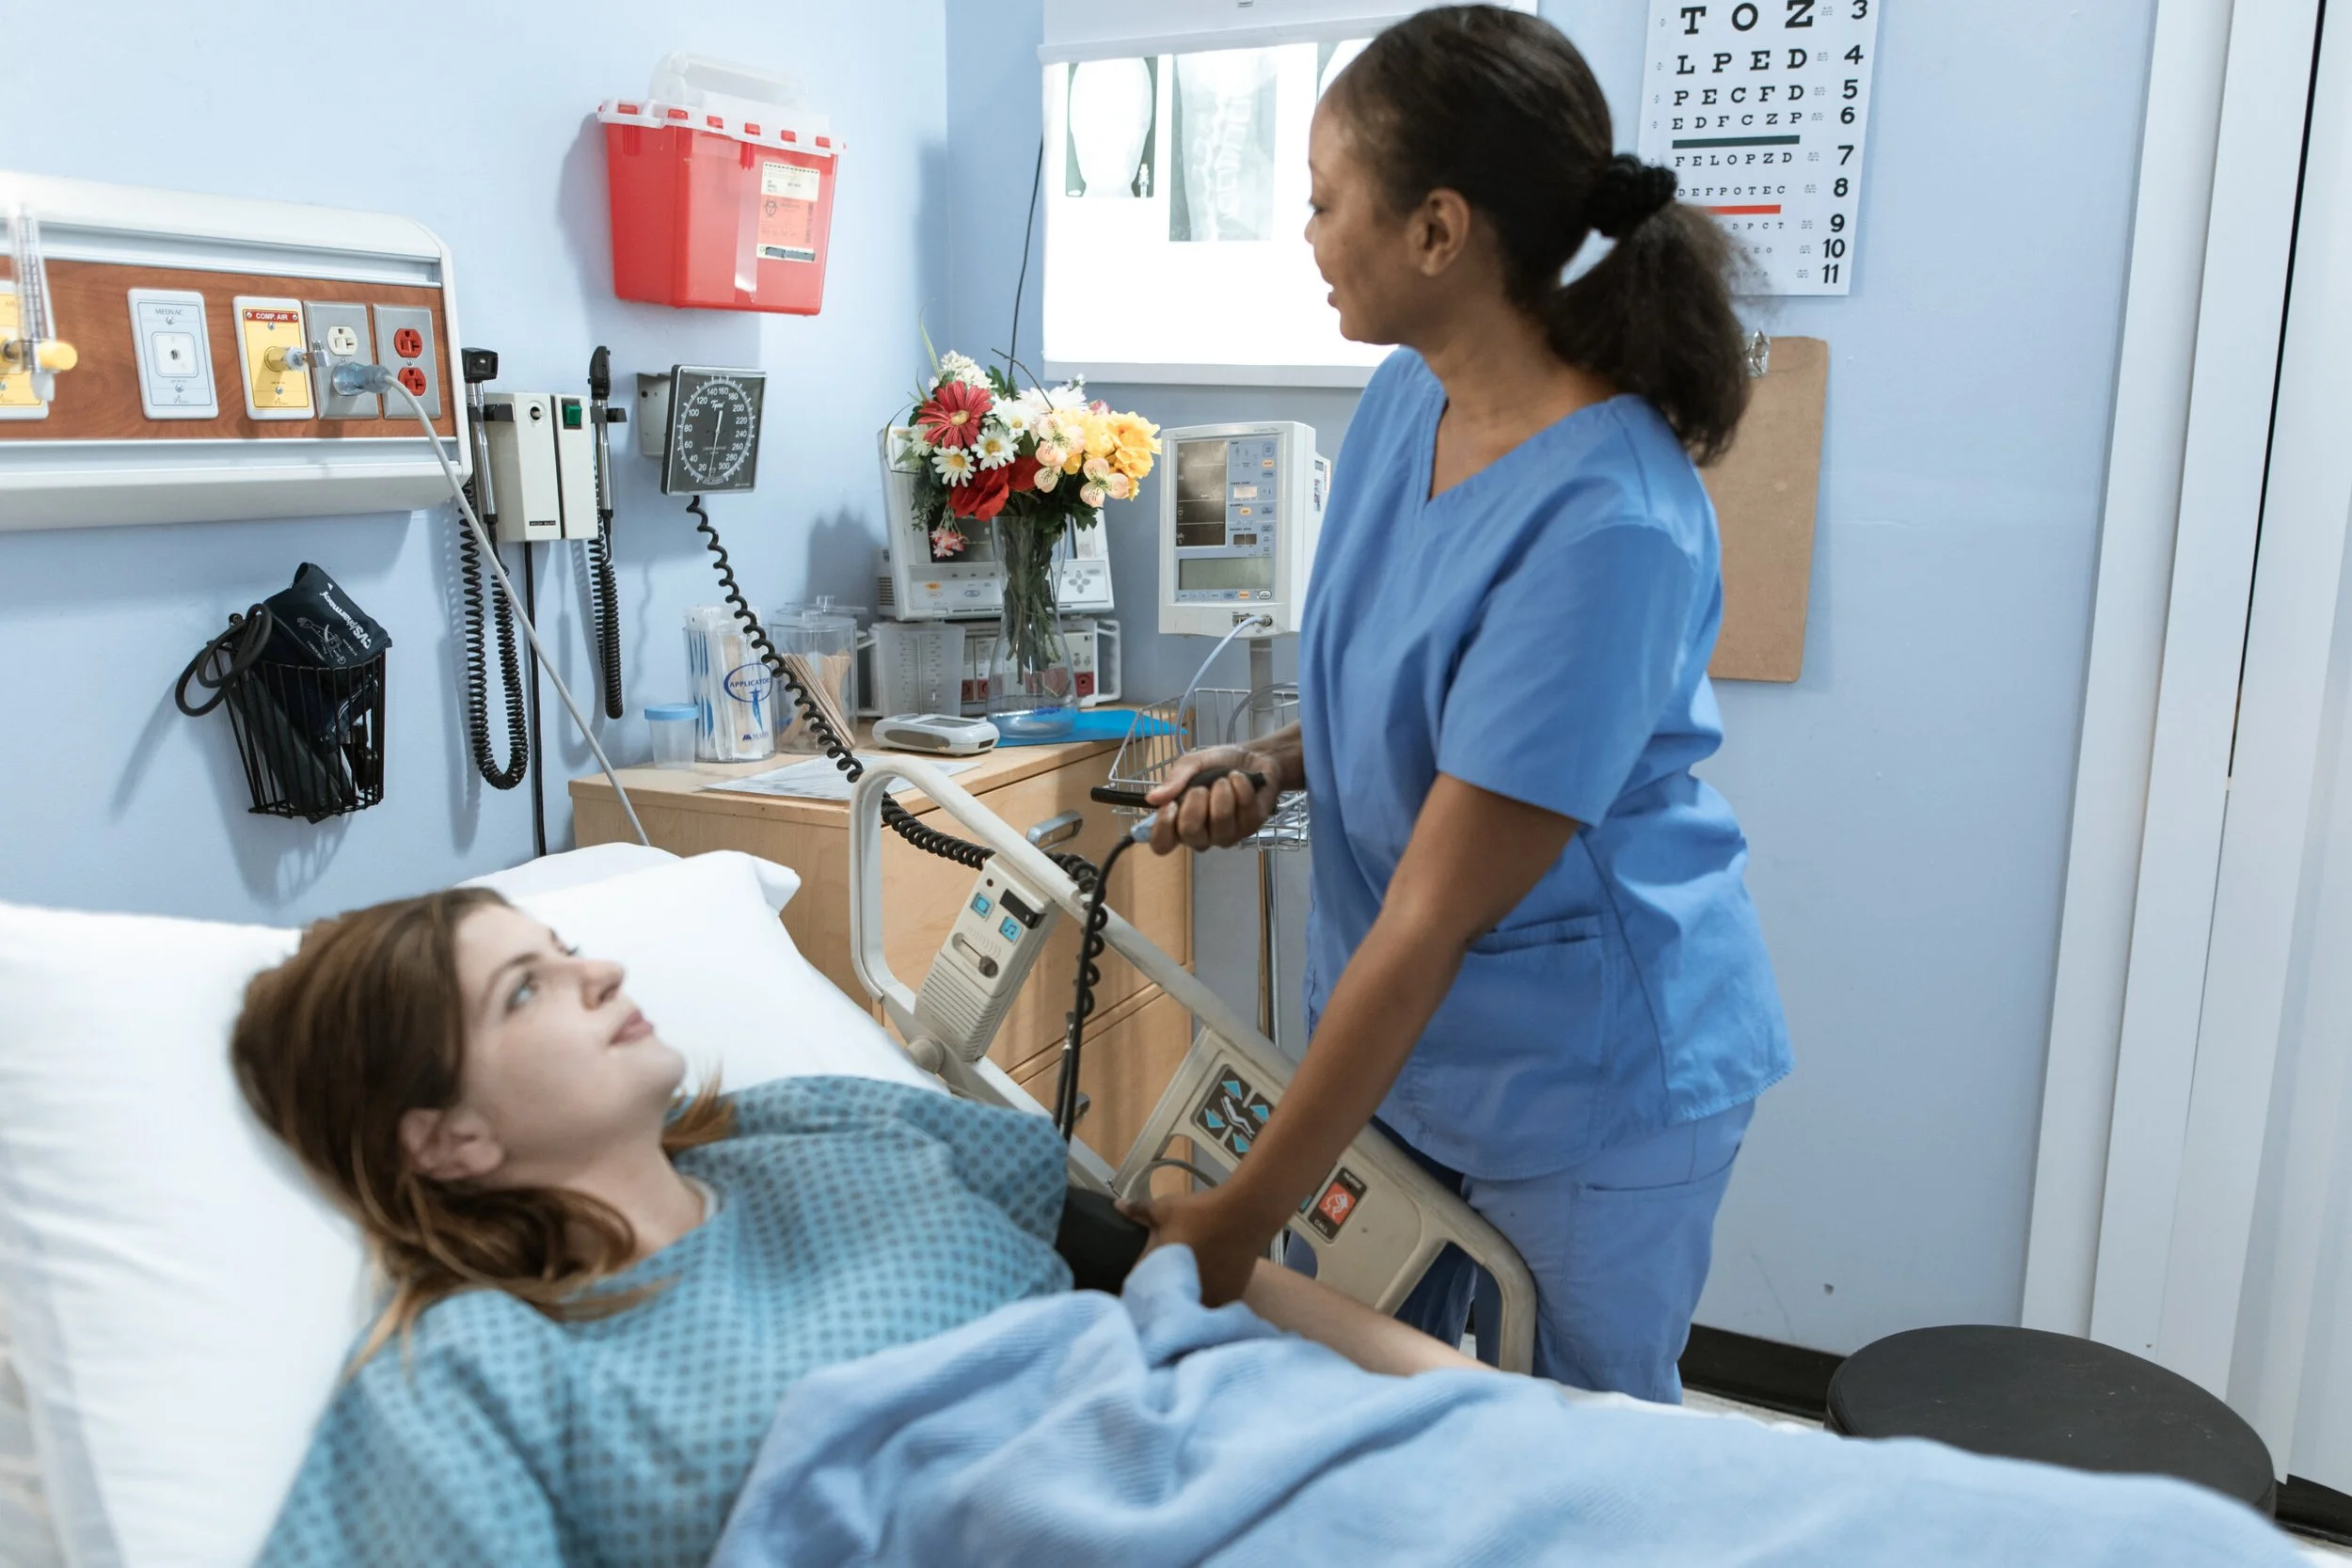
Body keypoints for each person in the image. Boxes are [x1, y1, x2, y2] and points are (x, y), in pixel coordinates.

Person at [1133, 5, 1791, 1403]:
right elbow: (1423, 706)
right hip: (1422, 1057)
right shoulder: (1397, 406)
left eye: (1323, 202)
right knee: (1412, 1424)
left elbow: (1437, 907)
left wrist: (1242, 1221)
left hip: (1583, 1083)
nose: (1307, 236)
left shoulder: (1610, 519)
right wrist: (1275, 759)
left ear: (1439, 231)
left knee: (1574, 1450)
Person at [231, 887, 1481, 1568]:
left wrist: (1464, 1400)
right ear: (448, 1140)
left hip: (1260, 1458)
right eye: (528, 989)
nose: (599, 972)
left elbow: (1156, 1254)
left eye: (564, 946)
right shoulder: (472, 1372)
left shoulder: (812, 1127)